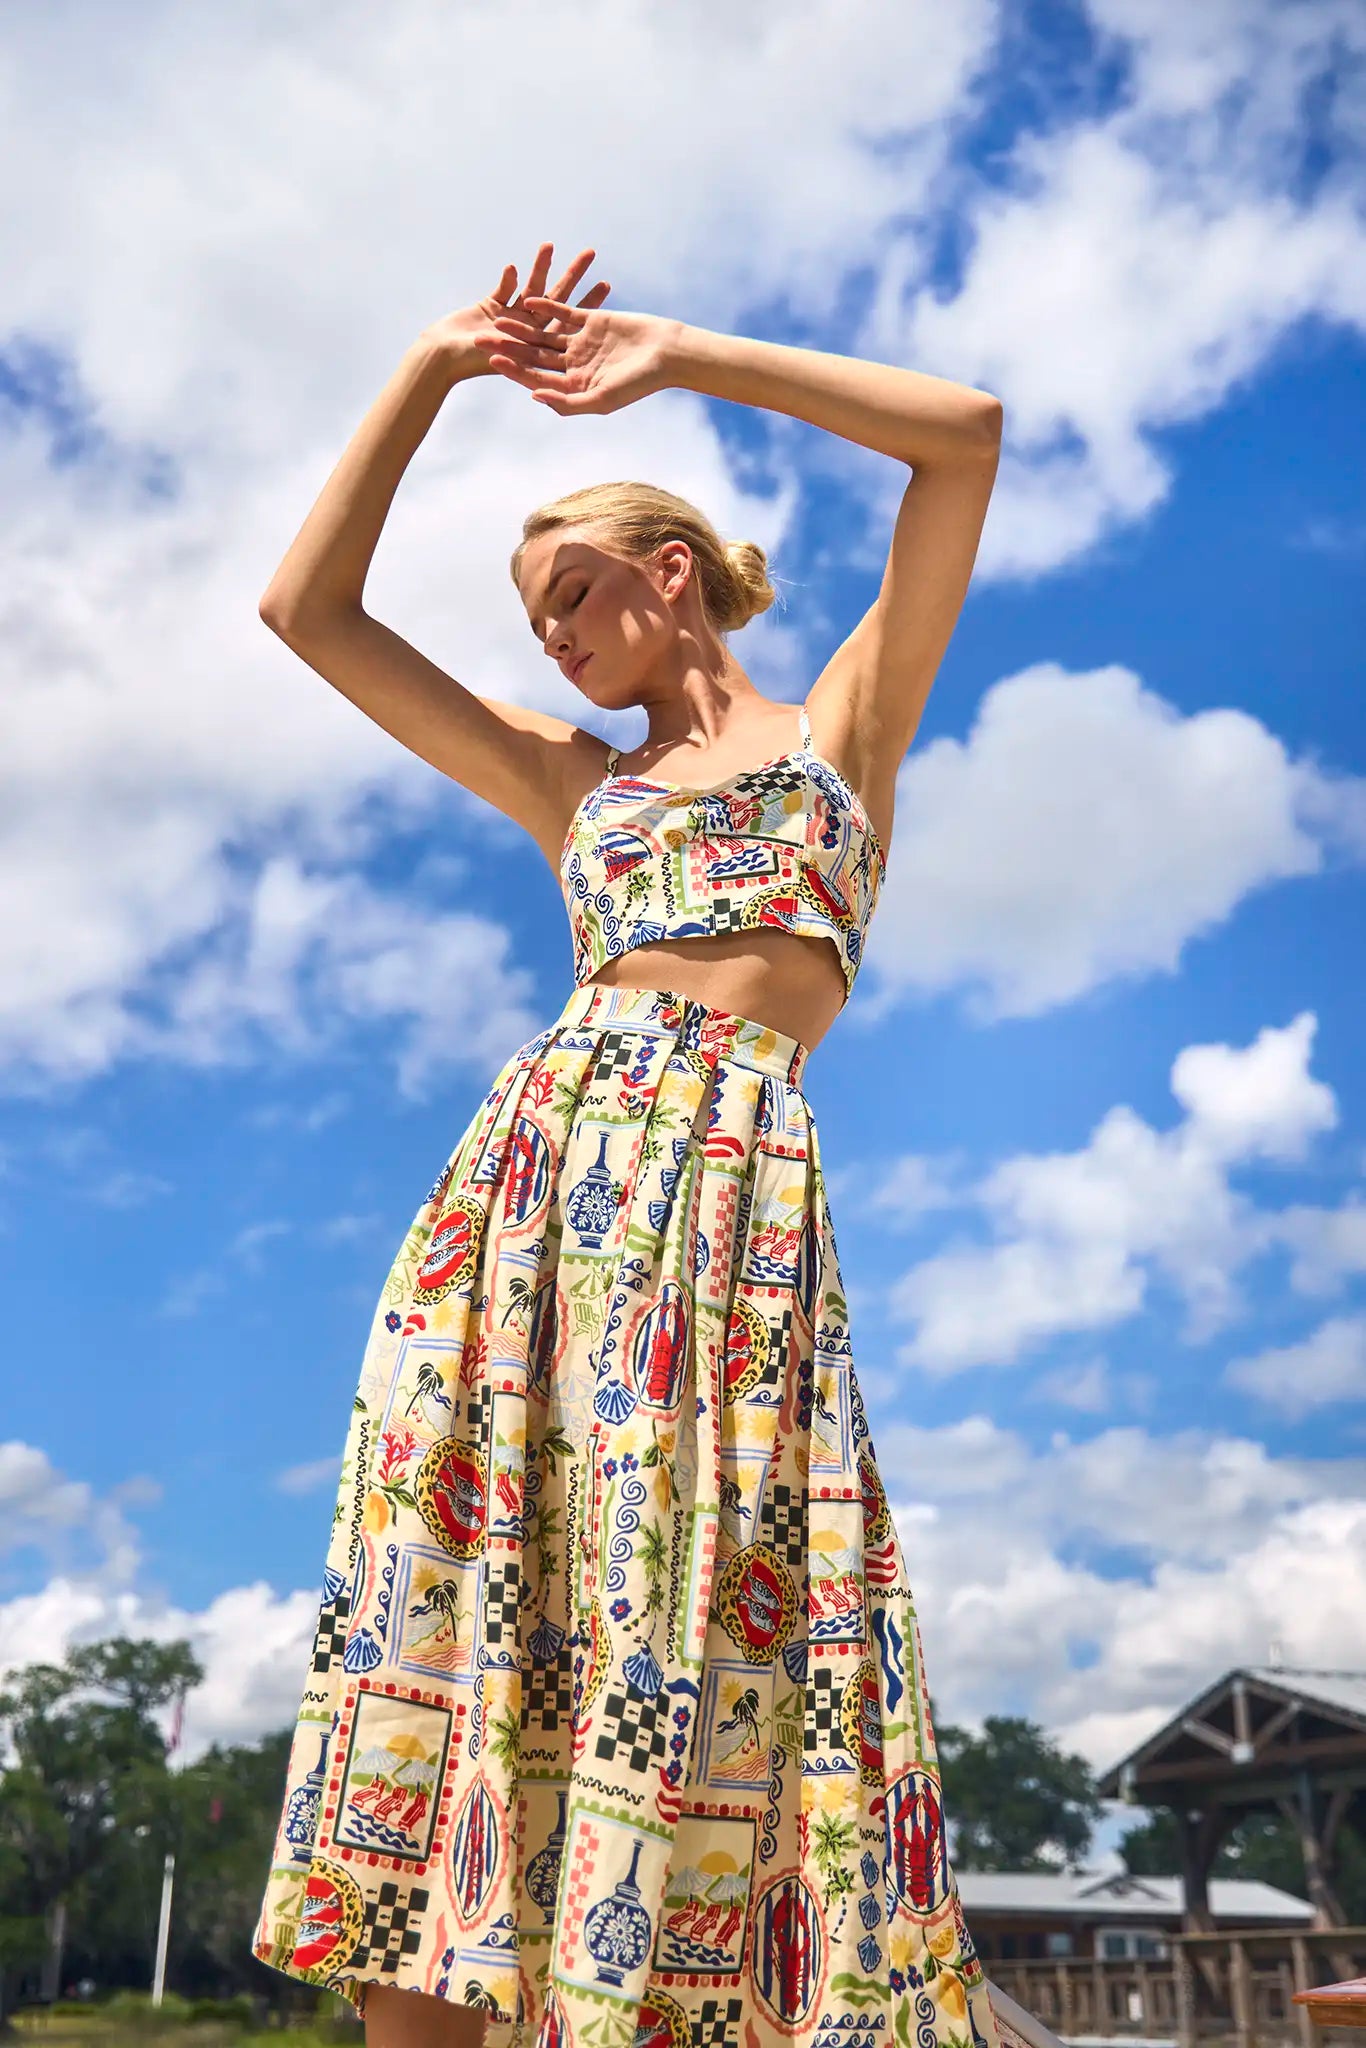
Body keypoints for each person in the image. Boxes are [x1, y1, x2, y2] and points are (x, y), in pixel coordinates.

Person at [251, 243, 1004, 2048]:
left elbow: (963, 440)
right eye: (536, 624)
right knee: (468, 1619)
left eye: (575, 598)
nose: (558, 644)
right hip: (529, 1215)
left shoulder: (839, 739)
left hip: (734, 1229)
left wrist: (675, 357)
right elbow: (308, 615)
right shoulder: (563, 783)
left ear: (673, 578)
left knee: (712, 1632)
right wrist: (431, 369)